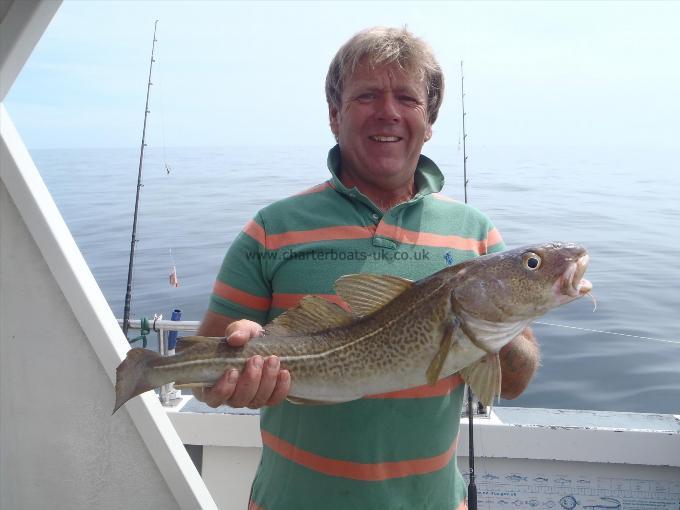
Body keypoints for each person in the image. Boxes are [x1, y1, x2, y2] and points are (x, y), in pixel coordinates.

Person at [195, 26, 539, 510]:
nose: (389, 112)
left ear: (430, 119)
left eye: (407, 98)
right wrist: (232, 362)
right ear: (335, 116)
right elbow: (206, 369)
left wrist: (506, 319)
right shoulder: (271, 229)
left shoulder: (475, 233)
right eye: (367, 96)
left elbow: (516, 381)